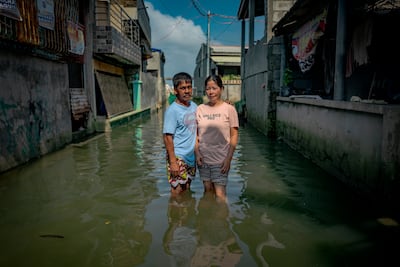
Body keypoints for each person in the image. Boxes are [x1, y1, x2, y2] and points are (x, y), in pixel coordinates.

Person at [195, 74, 239, 201]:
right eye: (208, 89)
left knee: (220, 195)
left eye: (214, 88)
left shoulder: (229, 109)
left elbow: (234, 135)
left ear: (221, 89)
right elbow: (196, 135)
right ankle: (207, 218)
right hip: (203, 160)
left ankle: (223, 219)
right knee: (207, 192)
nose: (211, 92)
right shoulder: (200, 109)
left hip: (221, 161)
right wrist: (197, 154)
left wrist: (228, 159)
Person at [163, 72, 197, 195]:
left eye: (189, 87)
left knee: (187, 187)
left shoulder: (194, 106)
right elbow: (167, 137)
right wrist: (173, 162)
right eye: (183, 88)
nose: (187, 91)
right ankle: (174, 213)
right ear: (175, 90)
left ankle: (186, 213)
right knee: (177, 191)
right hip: (178, 157)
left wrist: (226, 104)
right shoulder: (173, 110)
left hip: (191, 157)